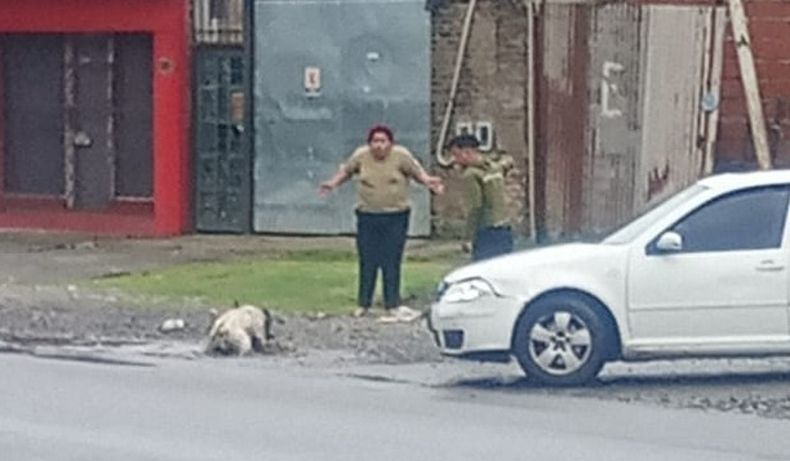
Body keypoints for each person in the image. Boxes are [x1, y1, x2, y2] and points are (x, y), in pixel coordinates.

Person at [319, 125, 444, 318]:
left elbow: (417, 173)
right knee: (368, 260)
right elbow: (347, 171)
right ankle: (364, 304)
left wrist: (429, 182)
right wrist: (332, 183)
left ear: (390, 143)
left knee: (391, 260)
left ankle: (391, 303)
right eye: (375, 141)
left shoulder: (401, 156)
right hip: (368, 215)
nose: (378, 146)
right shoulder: (361, 155)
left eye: (382, 141)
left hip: (395, 216)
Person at [449, 134, 514, 261]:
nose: (454, 160)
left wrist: (468, 237)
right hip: (504, 226)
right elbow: (508, 162)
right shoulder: (494, 167)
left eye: (456, 155)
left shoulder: (470, 175)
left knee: (483, 269)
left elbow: (475, 207)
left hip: (487, 230)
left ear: (467, 152)